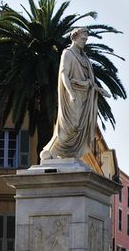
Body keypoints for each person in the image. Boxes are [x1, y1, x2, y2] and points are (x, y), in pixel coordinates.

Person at [39, 27, 110, 162]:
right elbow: (64, 74)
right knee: (70, 127)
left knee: (79, 128)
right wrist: (70, 93)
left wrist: (100, 90)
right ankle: (50, 152)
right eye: (83, 39)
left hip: (84, 97)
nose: (84, 42)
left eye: (86, 39)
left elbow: (90, 81)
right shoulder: (68, 53)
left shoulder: (85, 58)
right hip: (73, 95)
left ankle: (68, 154)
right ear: (75, 37)